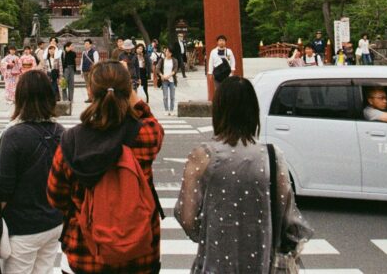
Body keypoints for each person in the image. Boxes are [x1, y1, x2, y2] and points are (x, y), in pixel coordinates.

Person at [176, 76, 312, 272]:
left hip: (214, 263)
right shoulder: (273, 156)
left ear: (218, 111)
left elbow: (186, 217)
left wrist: (210, 231)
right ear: (253, 112)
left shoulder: (202, 156)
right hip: (261, 264)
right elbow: (287, 216)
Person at [47, 61, 165, 274]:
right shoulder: (146, 135)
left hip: (86, 253)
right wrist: (133, 98)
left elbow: (56, 196)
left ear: (90, 92)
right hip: (140, 255)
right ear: (129, 91)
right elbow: (150, 120)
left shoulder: (71, 141)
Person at [0, 70, 65, 274]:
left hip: (23, 225)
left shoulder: (14, 135)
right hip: (53, 222)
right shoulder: (61, 132)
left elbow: (5, 187)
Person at [158, 46, 177, 116]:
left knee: (172, 96)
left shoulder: (174, 60)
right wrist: (161, 75)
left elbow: (175, 69)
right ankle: (166, 110)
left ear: (171, 53)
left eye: (168, 52)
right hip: (164, 81)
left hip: (172, 80)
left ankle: (171, 110)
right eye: (166, 51)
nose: (167, 53)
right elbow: (158, 68)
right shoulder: (162, 60)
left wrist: (169, 76)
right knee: (165, 96)